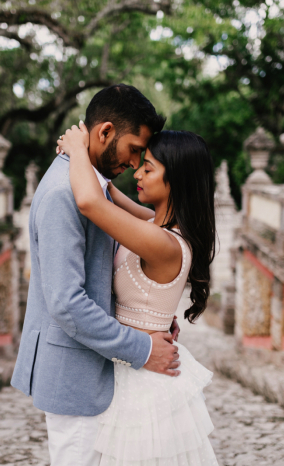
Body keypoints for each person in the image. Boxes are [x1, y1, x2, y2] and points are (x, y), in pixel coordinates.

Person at [11, 84, 182, 466]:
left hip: (96, 371)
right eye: (135, 149)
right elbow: (67, 304)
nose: (136, 164)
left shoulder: (91, 186)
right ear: (105, 132)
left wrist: (146, 316)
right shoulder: (63, 194)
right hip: (75, 375)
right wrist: (144, 349)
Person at [57, 123, 219, 465]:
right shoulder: (155, 226)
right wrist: (97, 165)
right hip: (132, 363)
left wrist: (75, 149)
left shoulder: (163, 243)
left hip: (145, 381)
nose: (138, 174)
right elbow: (112, 196)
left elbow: (89, 202)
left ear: (176, 179)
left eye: (149, 168)